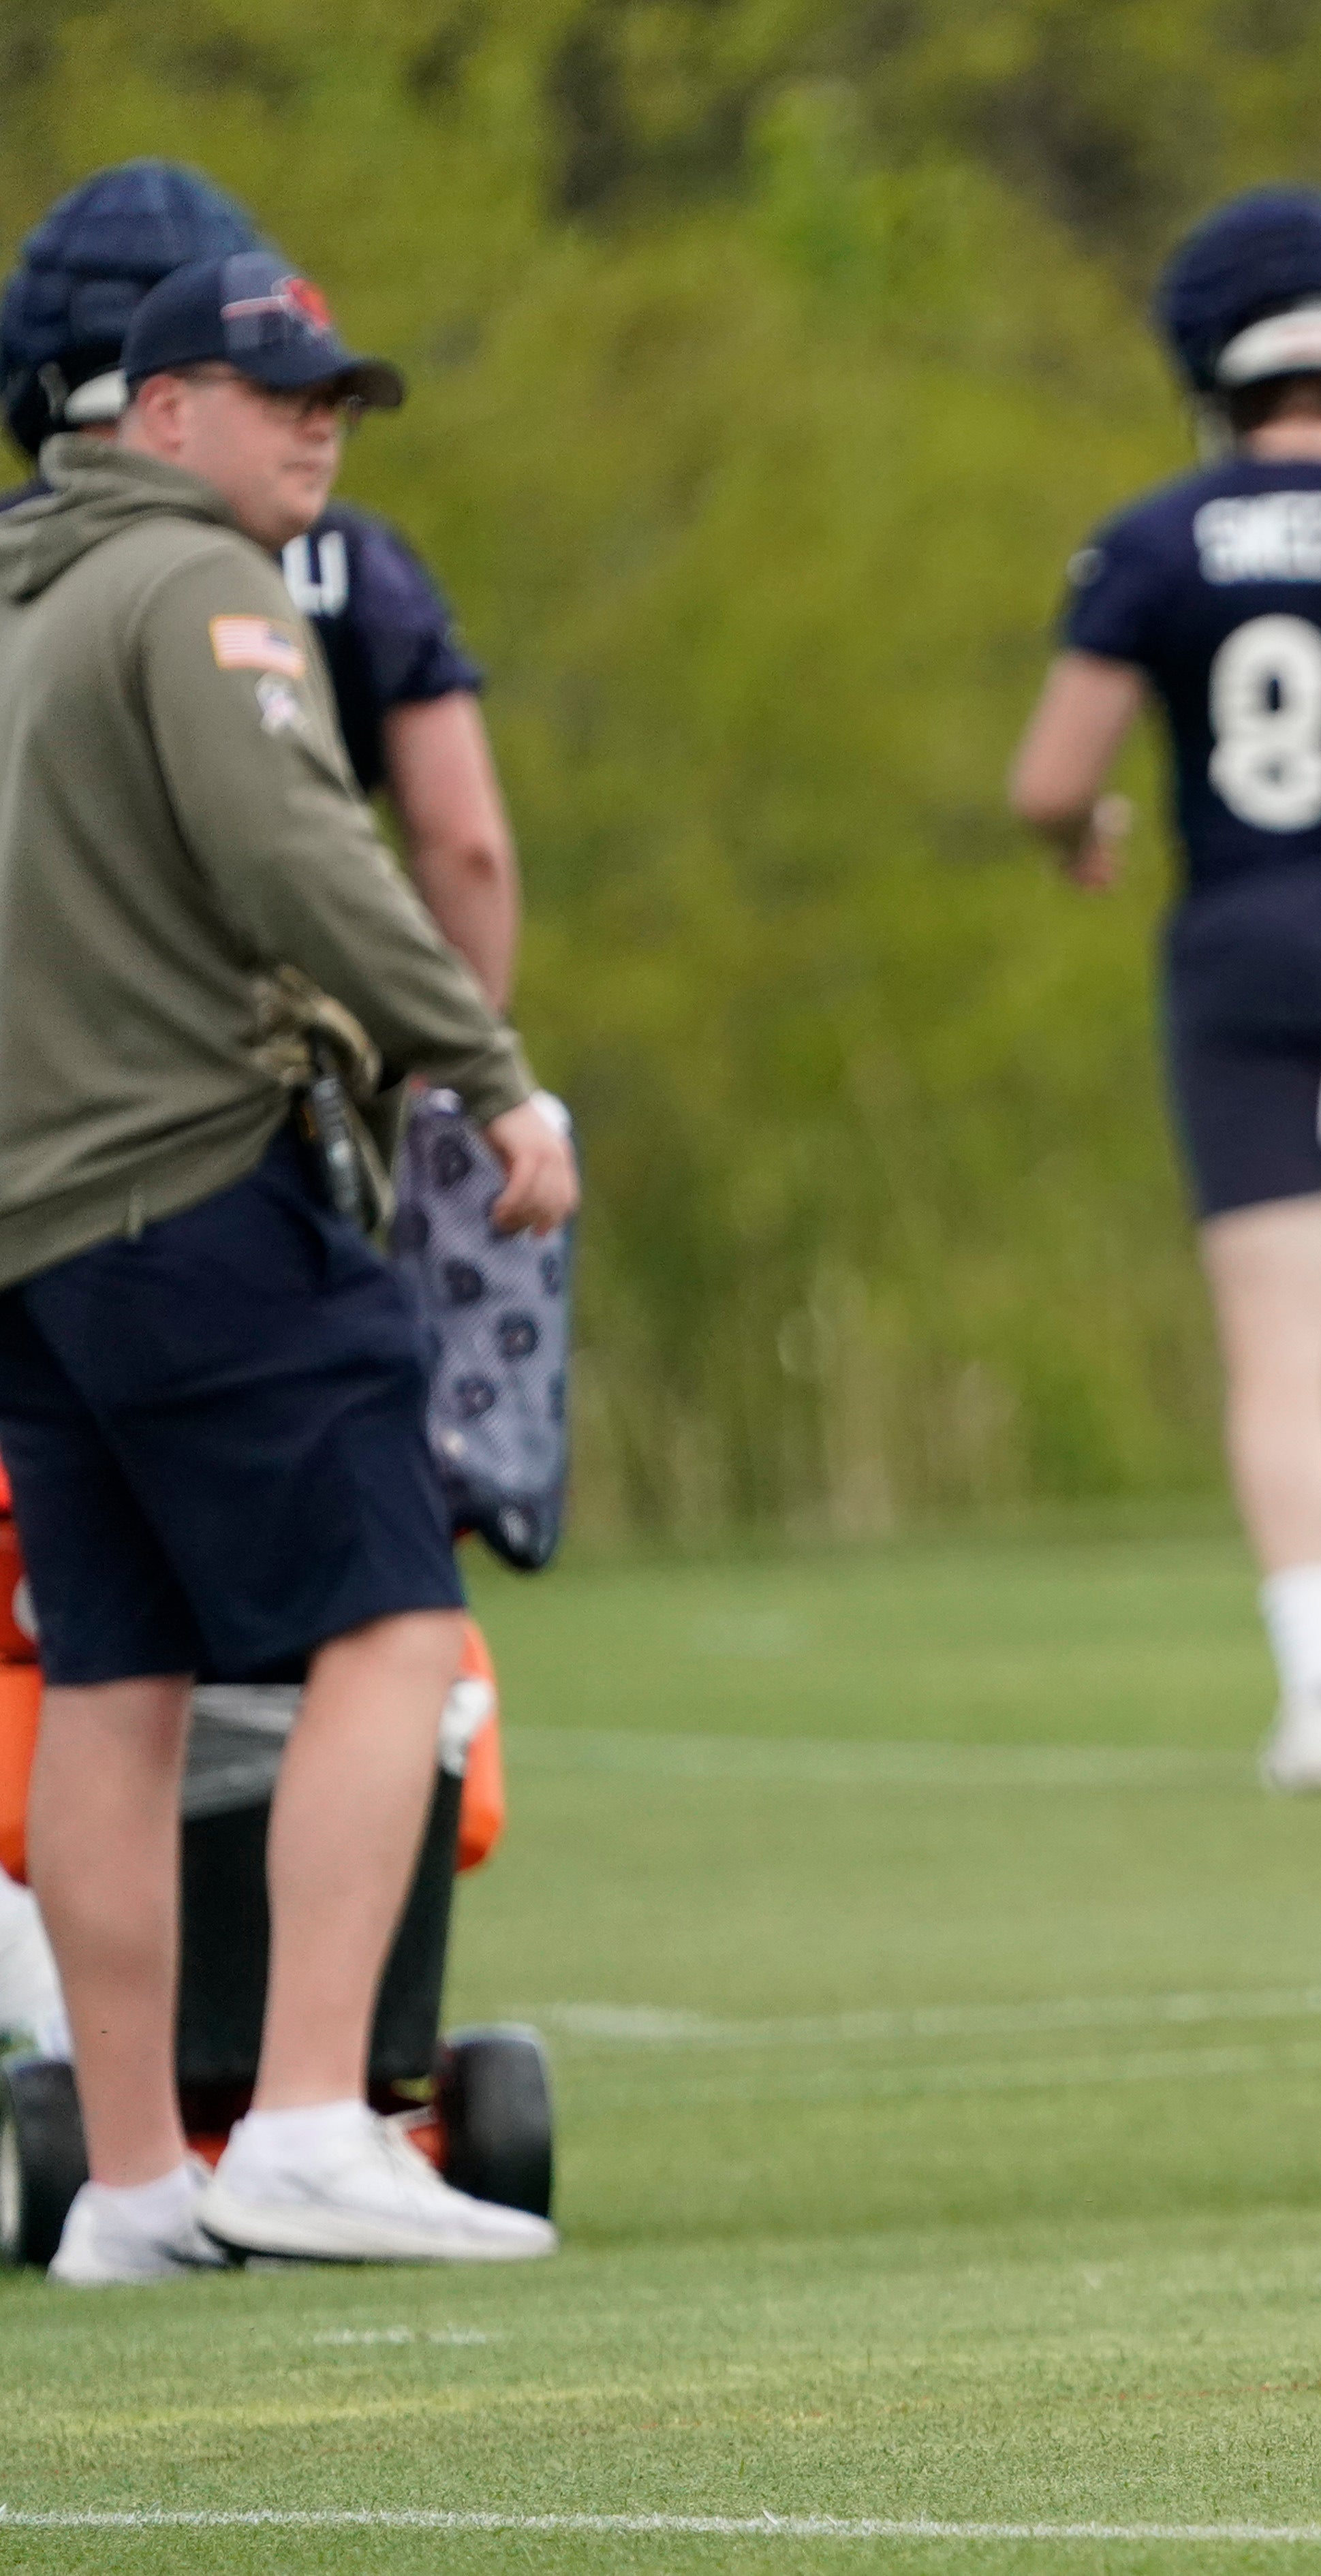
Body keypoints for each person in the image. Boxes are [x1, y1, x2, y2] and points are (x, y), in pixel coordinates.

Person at [0, 251, 576, 2278]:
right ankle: (314, 2117)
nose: (317, 421)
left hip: (36, 1228)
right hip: (190, 1182)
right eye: (275, 393)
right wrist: (487, 1074)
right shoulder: (196, 585)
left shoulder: (30, 587)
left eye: (334, 392)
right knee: (395, 1625)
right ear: (159, 414)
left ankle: (139, 2179)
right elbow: (304, 857)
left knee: (114, 1679)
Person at [1007, 188, 1321, 1793]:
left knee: (1275, 1334)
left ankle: (1318, 1687)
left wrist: (1084, 828)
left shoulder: (1160, 538)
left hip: (1242, 948)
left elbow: (1047, 777)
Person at [3, 163, 522, 1006]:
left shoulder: (19, 551)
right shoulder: (353, 561)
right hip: (264, 1089)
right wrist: (463, 1075)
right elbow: (465, 845)